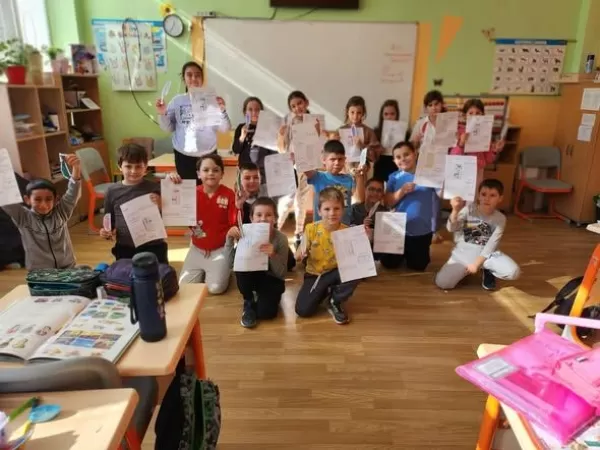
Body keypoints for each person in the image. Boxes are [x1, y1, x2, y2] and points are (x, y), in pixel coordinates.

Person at [169, 153, 237, 294]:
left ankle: (225, 268)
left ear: (222, 174)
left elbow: (233, 224)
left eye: (215, 170)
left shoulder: (229, 195)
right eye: (206, 170)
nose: (211, 173)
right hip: (197, 248)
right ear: (198, 174)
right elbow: (174, 206)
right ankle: (208, 269)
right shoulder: (190, 193)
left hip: (220, 249)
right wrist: (170, 182)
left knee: (215, 288)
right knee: (184, 286)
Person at [435, 179, 520, 291]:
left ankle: (487, 270)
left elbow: (491, 244)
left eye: (492, 195)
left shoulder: (500, 218)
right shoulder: (468, 210)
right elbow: (452, 228)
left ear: (500, 198)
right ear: (478, 196)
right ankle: (464, 271)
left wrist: (476, 264)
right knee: (443, 283)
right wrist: (455, 210)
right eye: (483, 194)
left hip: (487, 255)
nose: (487, 199)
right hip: (463, 254)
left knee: (513, 272)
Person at [155, 61, 231, 184]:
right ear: (184, 79)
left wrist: (222, 110)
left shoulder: (212, 100)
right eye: (189, 75)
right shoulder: (177, 101)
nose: (194, 78)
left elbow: (224, 128)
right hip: (183, 156)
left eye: (197, 75)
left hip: (208, 154)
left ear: (202, 79)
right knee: (188, 192)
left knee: (208, 190)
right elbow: (168, 128)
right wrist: (162, 113)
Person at [1, 155, 81, 270]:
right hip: (40, 273)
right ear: (27, 200)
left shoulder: (61, 212)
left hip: (67, 267)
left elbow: (73, 193)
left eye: (48, 199)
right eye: (37, 200)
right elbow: (6, 199)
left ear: (56, 199)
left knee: (88, 272)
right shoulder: (23, 217)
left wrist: (76, 168)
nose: (43, 205)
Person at [295, 187, 360, 325]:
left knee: (356, 271)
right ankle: (326, 291)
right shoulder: (311, 229)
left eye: (336, 208)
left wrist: (363, 239)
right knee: (303, 310)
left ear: (342, 210)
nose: (332, 213)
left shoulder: (347, 231)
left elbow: (356, 258)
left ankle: (335, 300)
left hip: (336, 272)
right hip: (315, 275)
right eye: (327, 209)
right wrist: (299, 254)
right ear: (319, 211)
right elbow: (299, 252)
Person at [100, 143, 167, 263]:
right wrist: (106, 232)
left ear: (146, 167)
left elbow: (169, 216)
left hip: (154, 247)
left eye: (138, 166)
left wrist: (161, 204)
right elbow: (109, 221)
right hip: (125, 248)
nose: (133, 171)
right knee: (126, 274)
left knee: (158, 273)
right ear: (120, 166)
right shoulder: (112, 191)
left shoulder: (155, 188)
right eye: (128, 166)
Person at [228, 197, 288, 328]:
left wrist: (273, 255)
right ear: (251, 218)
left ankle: (264, 298)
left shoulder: (281, 239)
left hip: (271, 278)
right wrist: (229, 239)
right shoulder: (244, 234)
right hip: (251, 276)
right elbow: (231, 264)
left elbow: (282, 274)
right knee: (241, 267)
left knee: (267, 314)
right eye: (259, 215)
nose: (263, 219)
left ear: (275, 218)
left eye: (268, 215)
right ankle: (248, 300)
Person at [382, 142, 440, 271]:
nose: (403, 159)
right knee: (389, 264)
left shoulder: (428, 175)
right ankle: (401, 253)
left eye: (406, 154)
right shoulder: (394, 177)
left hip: (421, 231)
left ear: (415, 154)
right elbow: (388, 202)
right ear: (394, 161)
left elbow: (441, 194)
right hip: (397, 231)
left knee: (418, 266)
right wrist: (401, 191)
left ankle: (409, 254)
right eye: (398, 157)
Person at [276, 90, 316, 249]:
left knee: (301, 201)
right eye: (293, 106)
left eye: (299, 103)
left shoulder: (314, 121)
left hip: (307, 166)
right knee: (287, 201)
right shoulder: (288, 122)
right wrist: (281, 135)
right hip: (290, 166)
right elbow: (281, 149)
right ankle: (275, 228)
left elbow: (318, 146)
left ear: (306, 102)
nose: (297, 107)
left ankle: (299, 233)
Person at [450, 99, 505, 188]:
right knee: (459, 194)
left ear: (483, 115)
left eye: (478, 113)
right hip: (460, 170)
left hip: (478, 171)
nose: (474, 116)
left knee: (475, 194)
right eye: (471, 113)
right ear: (465, 116)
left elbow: (488, 159)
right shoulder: (458, 132)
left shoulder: (485, 133)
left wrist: (495, 151)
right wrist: (461, 144)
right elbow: (453, 157)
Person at [303, 140, 359, 226]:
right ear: (324, 160)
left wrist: (360, 175)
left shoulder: (349, 179)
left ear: (345, 160)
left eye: (340, 159)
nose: (337, 163)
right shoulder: (318, 177)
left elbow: (358, 198)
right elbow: (304, 166)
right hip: (321, 228)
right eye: (332, 159)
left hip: (343, 228)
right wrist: (297, 157)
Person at [231, 96, 275, 183]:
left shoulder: (268, 128)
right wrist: (242, 137)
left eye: (257, 109)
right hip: (245, 171)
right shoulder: (241, 127)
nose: (254, 112)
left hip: (263, 172)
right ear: (245, 112)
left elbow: (272, 152)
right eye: (250, 109)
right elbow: (235, 150)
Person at [350, 178, 388, 256]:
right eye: (371, 189)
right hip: (356, 252)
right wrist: (361, 227)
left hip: (376, 255)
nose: (375, 193)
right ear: (365, 190)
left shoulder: (386, 213)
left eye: (379, 190)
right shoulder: (354, 209)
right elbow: (346, 231)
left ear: (382, 194)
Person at [373, 99, 403, 183]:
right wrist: (377, 151)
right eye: (386, 114)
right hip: (381, 167)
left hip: (397, 167)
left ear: (397, 115)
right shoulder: (376, 132)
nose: (389, 117)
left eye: (392, 114)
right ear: (382, 116)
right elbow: (372, 157)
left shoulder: (404, 132)